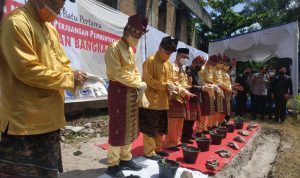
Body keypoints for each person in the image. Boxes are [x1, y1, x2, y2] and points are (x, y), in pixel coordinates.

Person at [0, 0, 88, 177]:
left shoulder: (50, 29)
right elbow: (26, 70)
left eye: (61, 7)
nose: (58, 11)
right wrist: (67, 78)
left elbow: (62, 61)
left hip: (49, 119)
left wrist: (73, 75)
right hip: (24, 122)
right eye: (56, 5)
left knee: (47, 173)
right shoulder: (16, 23)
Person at [104, 14, 148, 177]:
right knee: (118, 127)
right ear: (127, 32)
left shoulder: (130, 49)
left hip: (130, 93)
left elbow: (134, 71)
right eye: (135, 36)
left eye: (139, 37)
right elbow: (117, 73)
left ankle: (125, 158)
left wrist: (139, 83)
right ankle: (113, 164)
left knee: (131, 126)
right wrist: (138, 84)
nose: (137, 40)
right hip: (118, 92)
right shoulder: (114, 48)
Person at [139, 36, 178, 160]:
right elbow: (148, 80)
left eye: (171, 53)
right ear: (160, 48)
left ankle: (158, 149)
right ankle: (149, 152)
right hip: (150, 101)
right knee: (150, 127)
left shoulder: (168, 64)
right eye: (167, 52)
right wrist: (165, 85)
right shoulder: (150, 61)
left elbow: (171, 79)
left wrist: (172, 85)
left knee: (160, 127)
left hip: (163, 101)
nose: (168, 55)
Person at [165, 48, 195, 151]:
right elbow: (174, 82)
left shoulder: (182, 68)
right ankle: (169, 143)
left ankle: (176, 141)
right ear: (177, 55)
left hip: (182, 98)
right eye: (183, 56)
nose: (185, 59)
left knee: (180, 121)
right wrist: (184, 91)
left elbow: (183, 82)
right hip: (174, 97)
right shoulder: (173, 67)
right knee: (173, 122)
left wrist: (189, 85)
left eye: (187, 57)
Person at [181, 56, 206, 143]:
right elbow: (190, 86)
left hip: (195, 98)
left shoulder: (196, 72)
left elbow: (196, 83)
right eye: (200, 64)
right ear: (194, 63)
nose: (201, 66)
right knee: (188, 119)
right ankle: (184, 137)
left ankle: (189, 134)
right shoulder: (189, 71)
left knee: (193, 118)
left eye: (202, 65)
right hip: (190, 98)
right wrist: (202, 88)